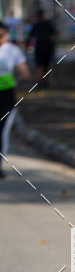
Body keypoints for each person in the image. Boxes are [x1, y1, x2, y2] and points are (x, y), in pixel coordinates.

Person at [0, 21, 29, 179]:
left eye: (2, 36)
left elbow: (25, 73)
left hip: (7, 96)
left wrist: (15, 76)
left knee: (3, 131)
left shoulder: (12, 50)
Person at [28, 10, 56, 83]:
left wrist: (30, 45)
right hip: (43, 46)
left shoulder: (40, 24)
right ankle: (43, 80)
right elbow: (54, 34)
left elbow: (31, 36)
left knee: (43, 65)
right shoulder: (45, 24)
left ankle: (43, 80)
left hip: (43, 46)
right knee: (42, 65)